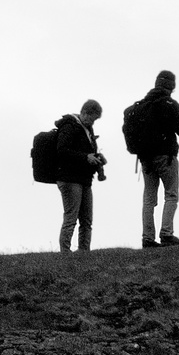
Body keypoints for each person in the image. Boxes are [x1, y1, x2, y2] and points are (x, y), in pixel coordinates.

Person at [129, 70, 179, 247]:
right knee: (171, 195)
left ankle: (147, 238)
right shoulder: (169, 104)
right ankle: (166, 234)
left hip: (145, 160)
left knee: (149, 199)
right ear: (171, 86)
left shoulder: (140, 107)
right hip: (166, 157)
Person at [53, 99, 108, 253]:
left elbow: (85, 151)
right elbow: (62, 151)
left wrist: (97, 158)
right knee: (71, 218)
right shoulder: (70, 126)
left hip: (84, 179)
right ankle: (65, 252)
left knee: (86, 220)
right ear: (84, 113)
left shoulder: (87, 129)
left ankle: (84, 252)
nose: (93, 122)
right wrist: (86, 157)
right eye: (92, 118)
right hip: (69, 178)